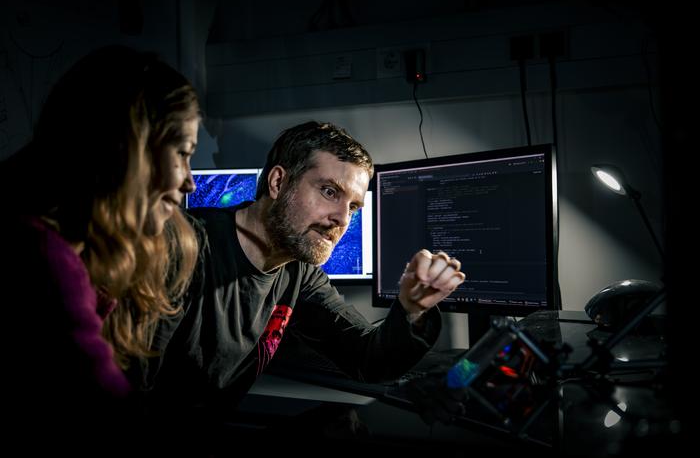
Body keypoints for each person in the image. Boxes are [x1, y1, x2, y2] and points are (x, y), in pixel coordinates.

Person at [131, 121, 466, 442]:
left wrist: (411, 309)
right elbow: (127, 395)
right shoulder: (183, 249)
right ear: (278, 182)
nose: (341, 219)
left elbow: (366, 358)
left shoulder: (298, 272)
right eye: (328, 191)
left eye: (353, 207)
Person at [0, 45, 200, 445]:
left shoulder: (71, 249)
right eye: (183, 153)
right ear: (130, 149)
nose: (190, 181)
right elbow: (112, 428)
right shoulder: (40, 259)